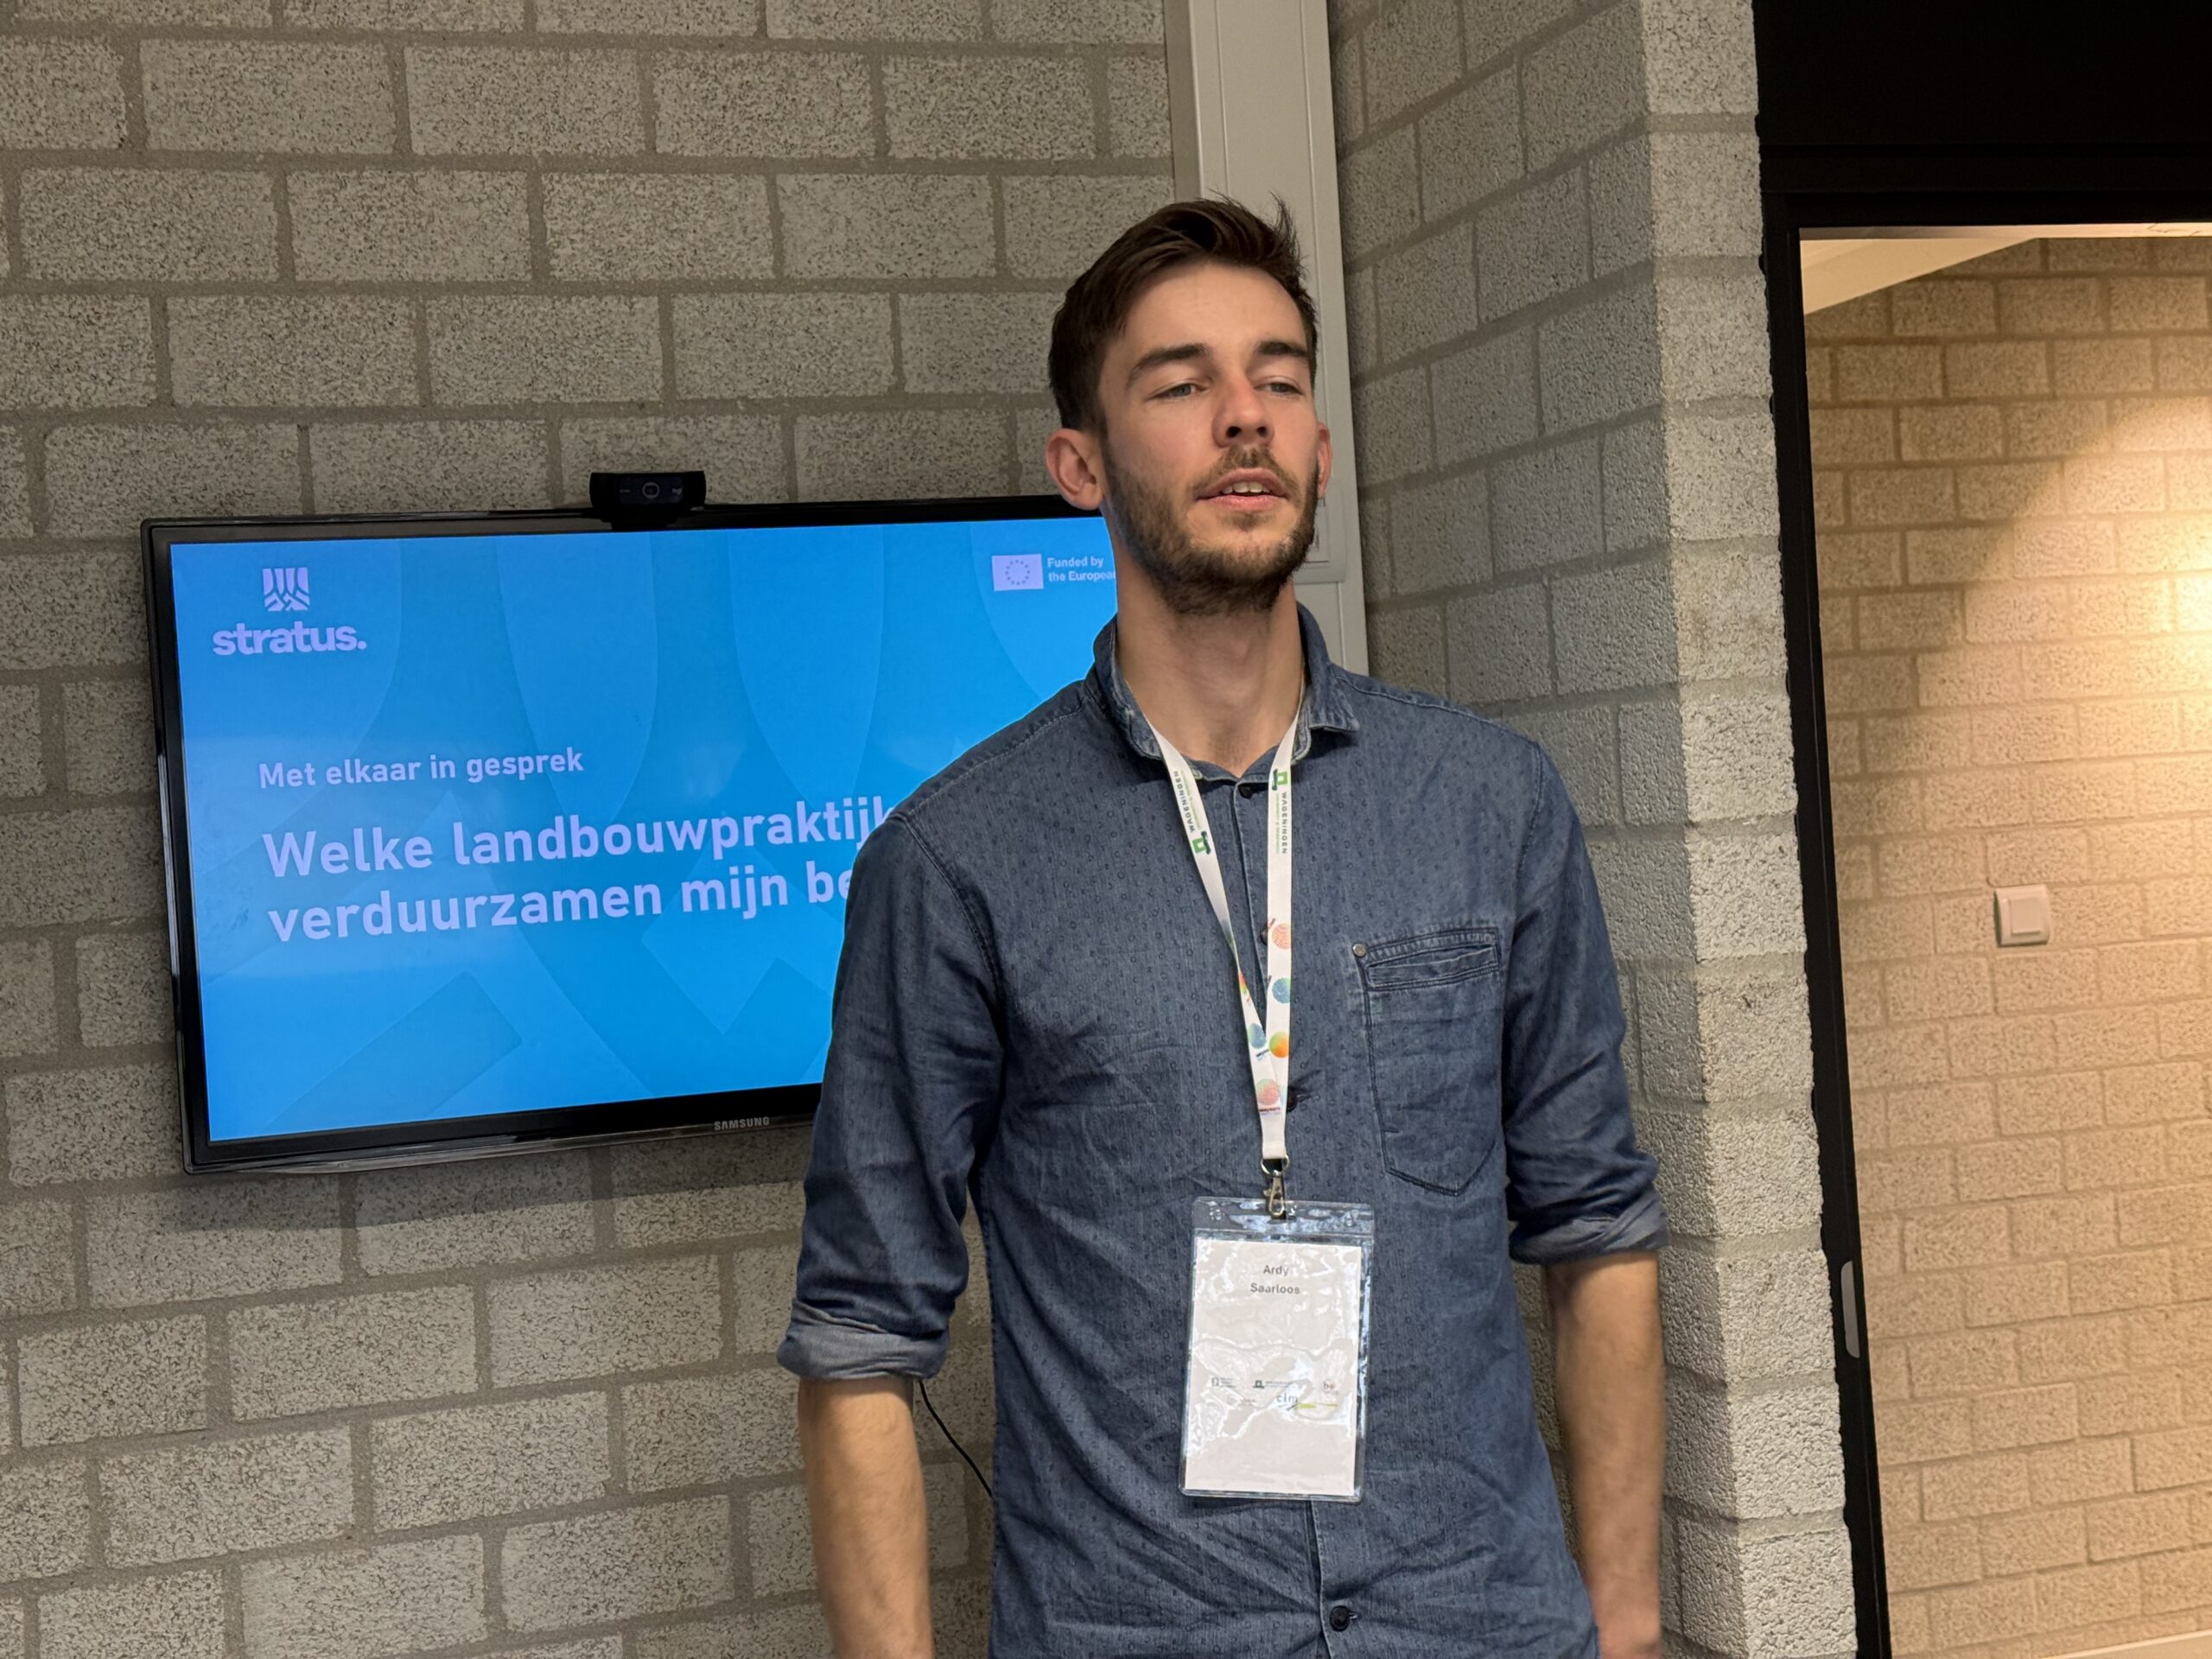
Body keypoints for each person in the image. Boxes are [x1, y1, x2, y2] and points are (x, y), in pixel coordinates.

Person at [779, 197, 1667, 1659]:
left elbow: (1599, 1230)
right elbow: (860, 1345)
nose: (1243, 419)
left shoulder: (1491, 805)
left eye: (1281, 377)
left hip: (1476, 1624)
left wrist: (1623, 1634)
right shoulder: (956, 862)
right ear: (1081, 465)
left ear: (1319, 442)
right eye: (1181, 385)